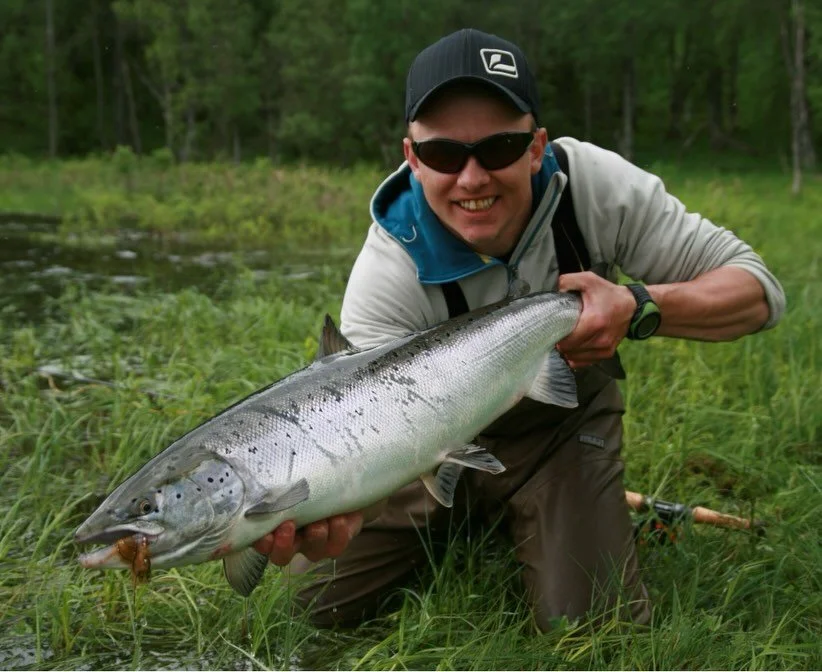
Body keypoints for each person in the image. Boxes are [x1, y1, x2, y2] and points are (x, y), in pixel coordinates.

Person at [253, 28, 785, 631]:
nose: (473, 178)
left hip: (556, 437)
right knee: (298, 611)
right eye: (445, 155)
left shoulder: (594, 188)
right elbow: (367, 440)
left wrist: (638, 305)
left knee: (591, 631)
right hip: (418, 452)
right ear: (412, 158)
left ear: (536, 147)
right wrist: (342, 504)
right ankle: (483, 517)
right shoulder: (390, 270)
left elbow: (756, 292)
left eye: (499, 148)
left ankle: (552, 513)